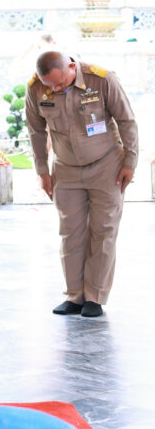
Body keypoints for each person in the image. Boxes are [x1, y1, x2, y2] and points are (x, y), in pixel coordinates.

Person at [24, 51, 138, 318]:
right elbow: (35, 131)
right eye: (50, 85)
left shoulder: (102, 80)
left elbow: (127, 121)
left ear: (72, 67)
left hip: (107, 166)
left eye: (60, 83)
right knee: (70, 233)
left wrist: (130, 162)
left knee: (103, 230)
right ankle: (74, 296)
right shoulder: (36, 88)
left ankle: (95, 297)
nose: (55, 89)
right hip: (65, 170)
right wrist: (42, 171)